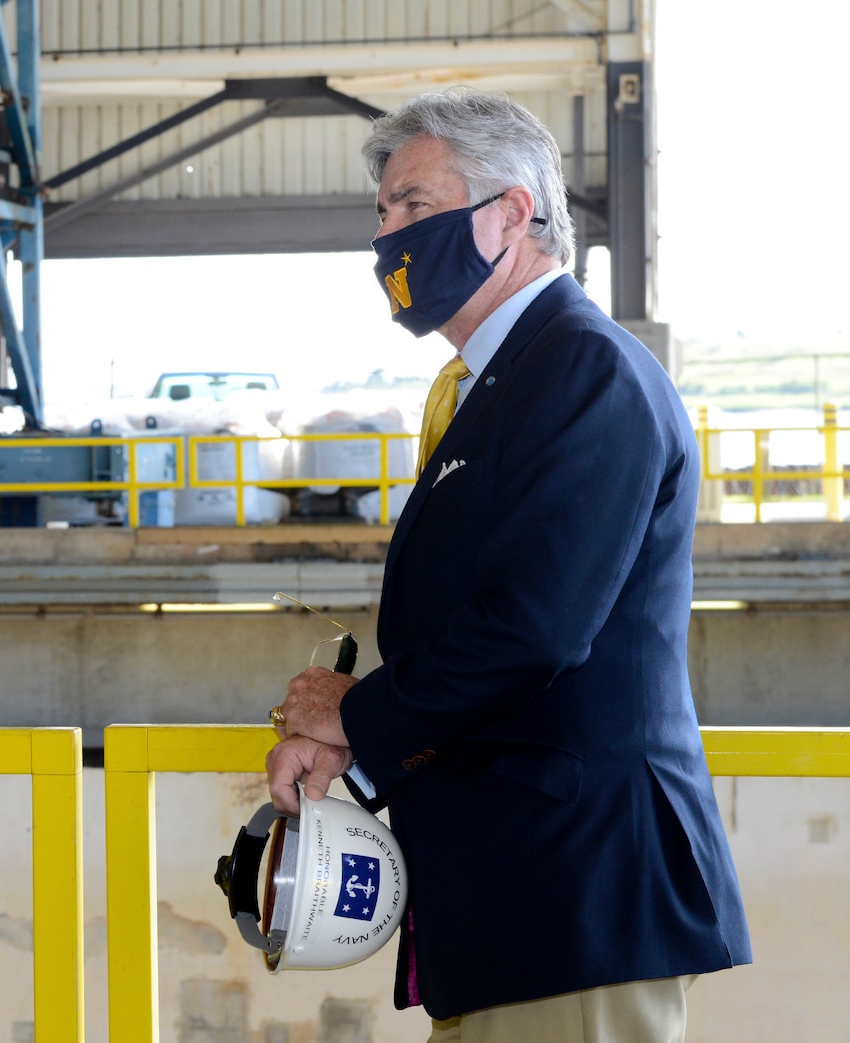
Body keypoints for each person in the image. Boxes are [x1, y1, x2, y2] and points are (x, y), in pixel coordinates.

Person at [266, 87, 751, 1042]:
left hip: (574, 895)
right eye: (382, 213)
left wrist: (354, 713)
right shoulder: (499, 381)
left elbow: (533, 626)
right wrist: (349, 736)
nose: (389, 238)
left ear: (514, 213)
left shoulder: (583, 371)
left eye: (415, 205)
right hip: (518, 901)